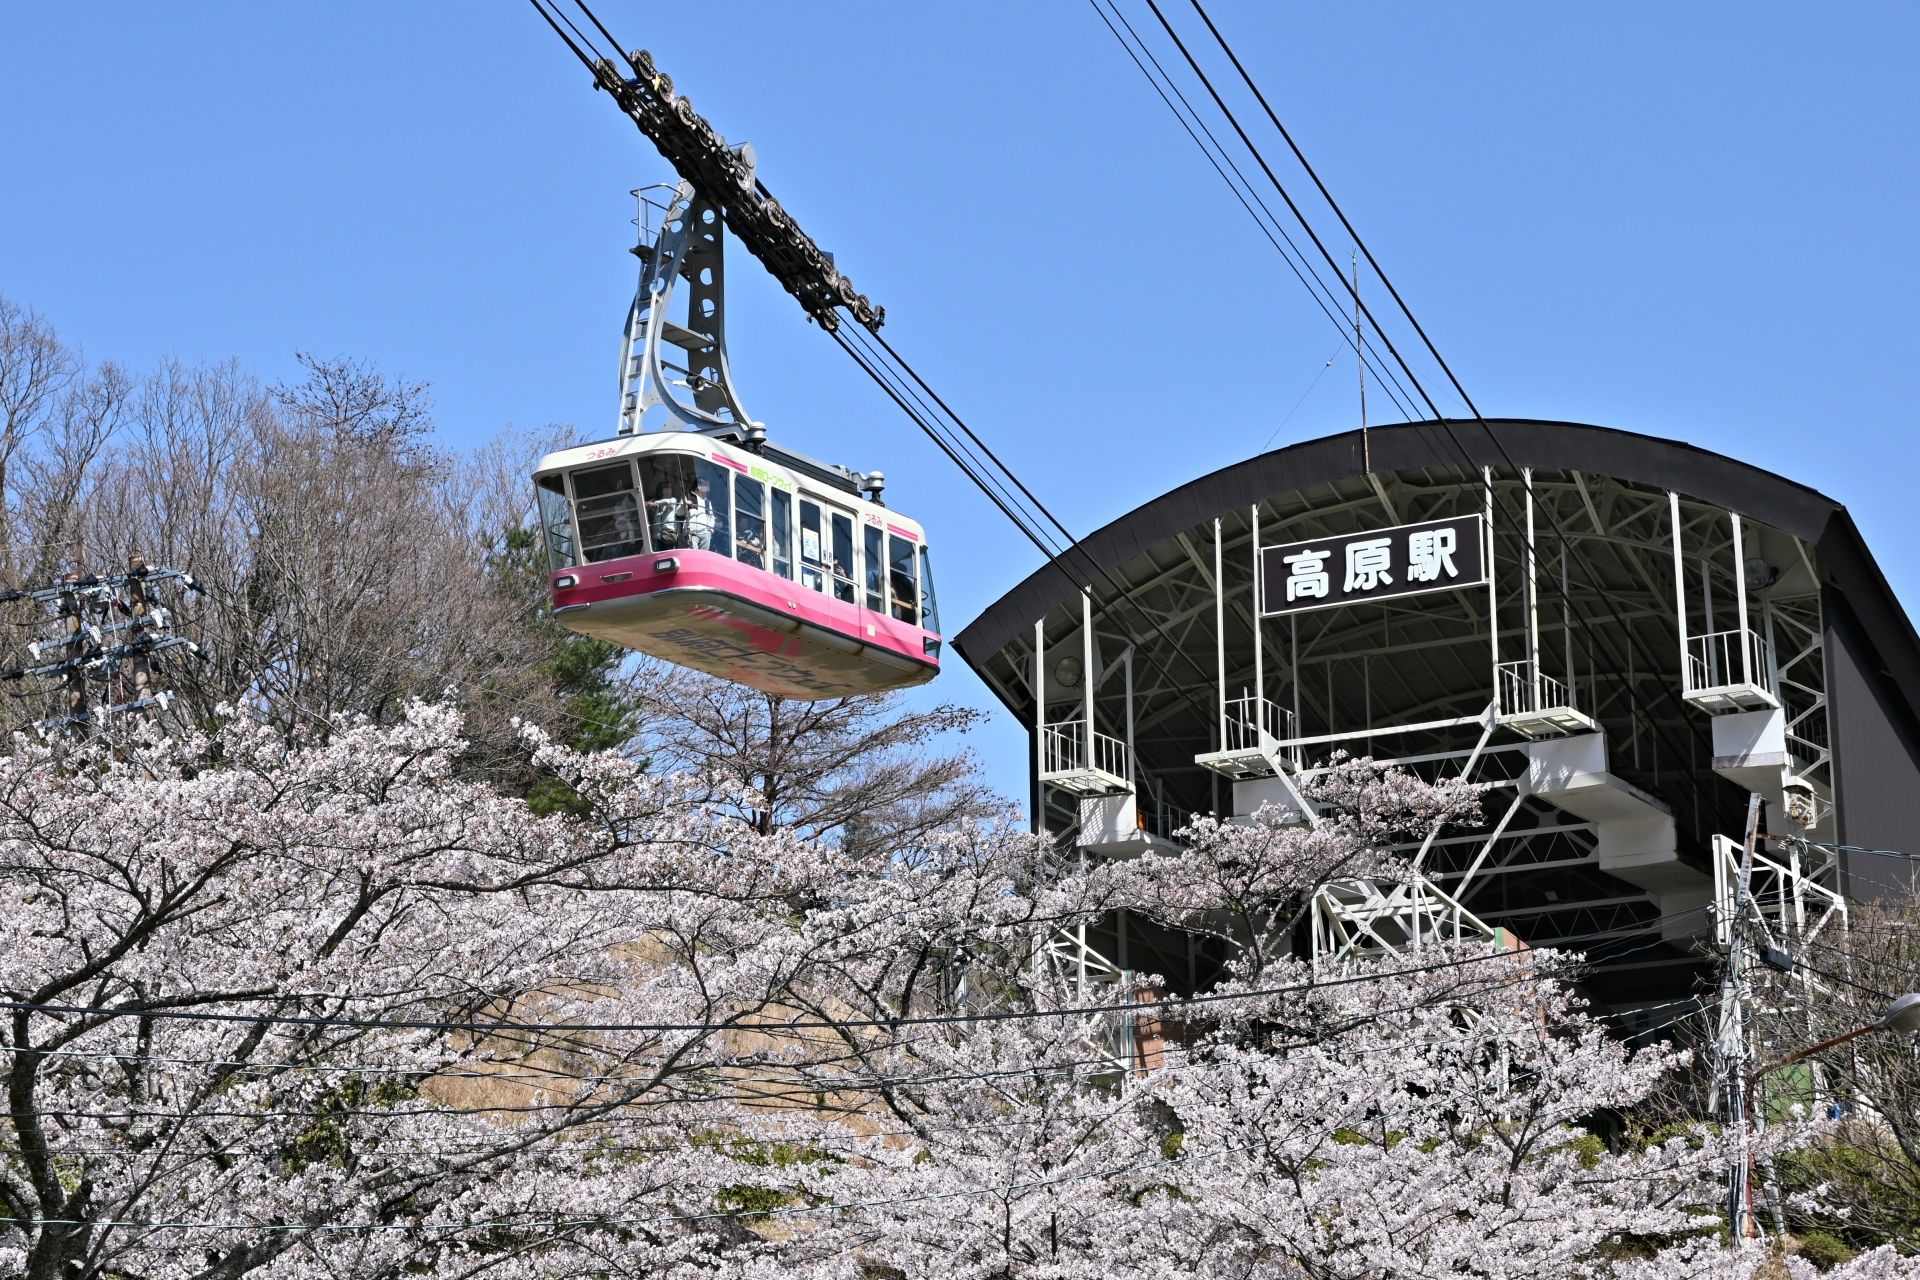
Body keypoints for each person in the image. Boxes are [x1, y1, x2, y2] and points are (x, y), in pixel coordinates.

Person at [683, 477, 718, 551]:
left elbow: (711, 517)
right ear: (699, 486)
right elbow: (678, 513)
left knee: (703, 558)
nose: (708, 489)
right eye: (706, 486)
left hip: (705, 535)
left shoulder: (707, 502)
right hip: (692, 534)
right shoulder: (688, 497)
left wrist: (710, 531)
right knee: (693, 556)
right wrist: (684, 504)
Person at [646, 481, 681, 549]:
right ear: (660, 491)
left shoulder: (673, 500)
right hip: (657, 536)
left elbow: (667, 502)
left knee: (671, 555)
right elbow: (644, 505)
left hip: (669, 535)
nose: (669, 492)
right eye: (666, 489)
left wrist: (654, 503)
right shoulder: (654, 500)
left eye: (669, 490)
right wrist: (648, 504)